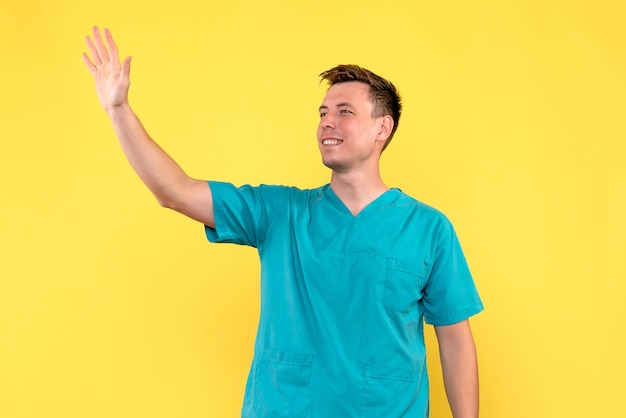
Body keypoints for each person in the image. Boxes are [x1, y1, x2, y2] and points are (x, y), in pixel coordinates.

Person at [83, 26, 484, 418]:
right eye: (323, 113)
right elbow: (175, 191)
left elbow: (455, 341)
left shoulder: (429, 229)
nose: (328, 122)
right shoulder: (280, 212)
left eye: (345, 112)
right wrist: (118, 110)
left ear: (384, 127)